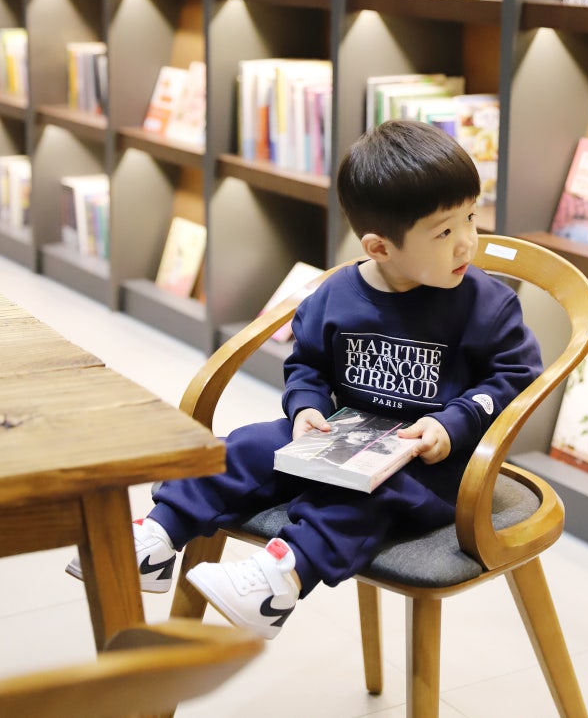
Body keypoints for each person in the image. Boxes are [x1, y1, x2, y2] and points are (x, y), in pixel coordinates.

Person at [67, 120, 543, 640]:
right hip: (341, 436)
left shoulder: (486, 305)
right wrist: (307, 406)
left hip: (432, 465)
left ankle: (282, 578)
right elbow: (307, 364)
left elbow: (517, 377)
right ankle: (159, 536)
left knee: (365, 497)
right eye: (445, 232)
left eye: (471, 217)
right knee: (245, 446)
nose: (468, 243)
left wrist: (454, 422)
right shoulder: (335, 297)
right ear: (379, 248)